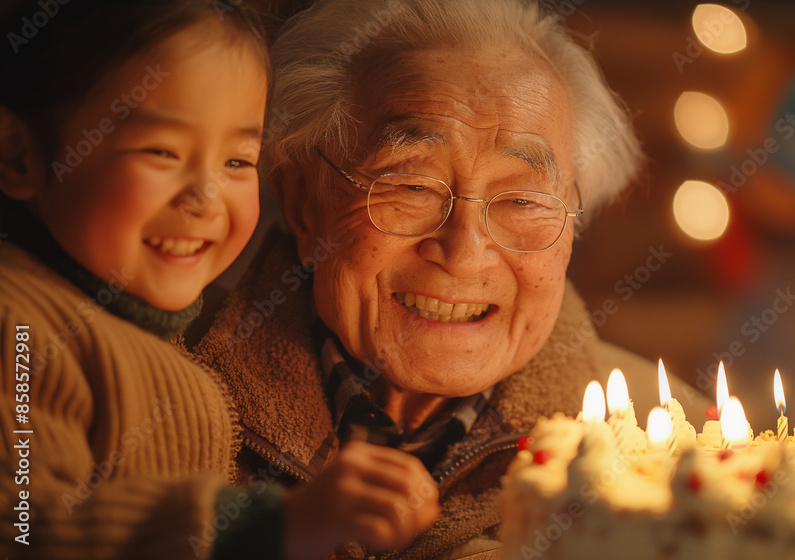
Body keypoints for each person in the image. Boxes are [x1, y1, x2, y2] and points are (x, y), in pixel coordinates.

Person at [194, 0, 644, 558]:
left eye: (524, 200)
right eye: (411, 186)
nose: (464, 253)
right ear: (304, 204)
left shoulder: (663, 463)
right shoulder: (154, 410)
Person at [0, 2, 437, 559]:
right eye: (163, 152)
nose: (205, 199)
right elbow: (22, 533)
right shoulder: (17, 327)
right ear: (17, 155)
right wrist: (267, 526)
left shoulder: (165, 336)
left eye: (237, 161)